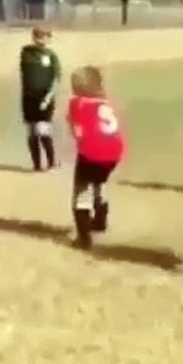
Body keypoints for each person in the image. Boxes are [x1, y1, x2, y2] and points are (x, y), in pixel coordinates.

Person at [67, 66, 126, 250]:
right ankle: (100, 221)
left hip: (92, 153)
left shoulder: (77, 103)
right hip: (114, 153)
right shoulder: (105, 102)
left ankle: (84, 238)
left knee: (81, 191)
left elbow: (77, 132)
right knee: (100, 183)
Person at [19, 27, 62, 172]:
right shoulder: (26, 53)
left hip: (45, 98)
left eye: (44, 37)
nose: (40, 39)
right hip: (29, 97)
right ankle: (36, 165)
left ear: (49, 38)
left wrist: (48, 98)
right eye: (37, 36)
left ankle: (51, 163)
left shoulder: (52, 57)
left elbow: (56, 79)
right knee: (32, 133)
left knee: (42, 131)